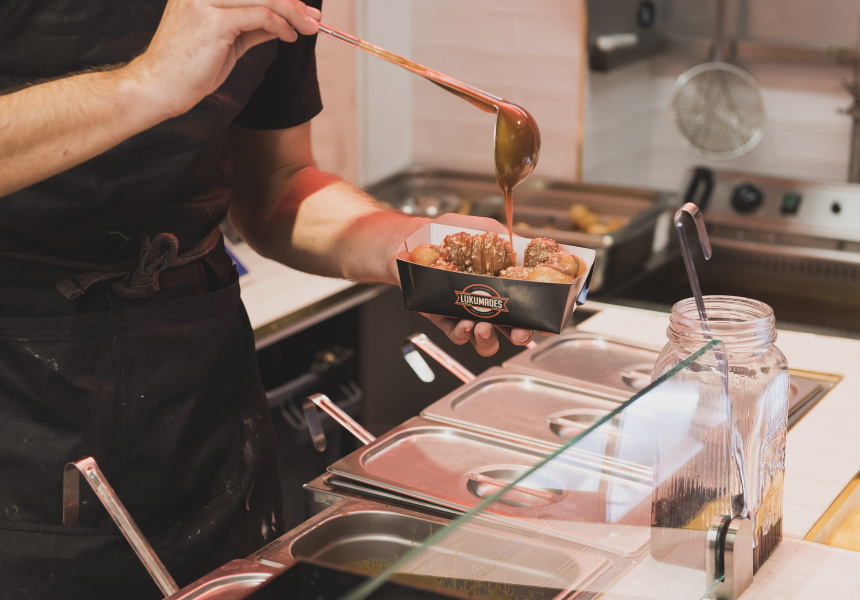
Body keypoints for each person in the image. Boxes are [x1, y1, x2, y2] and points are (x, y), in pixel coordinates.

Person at [0, 0, 536, 597]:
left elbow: (275, 183)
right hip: (22, 393)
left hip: (201, 384)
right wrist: (147, 82)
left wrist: (402, 246)